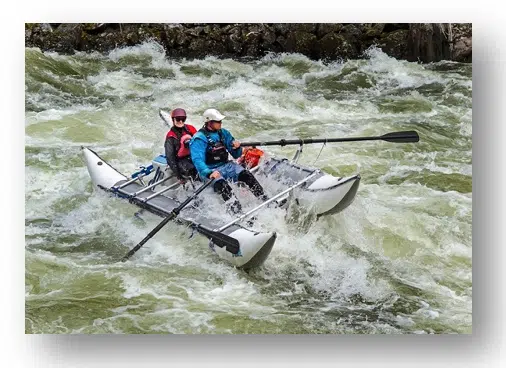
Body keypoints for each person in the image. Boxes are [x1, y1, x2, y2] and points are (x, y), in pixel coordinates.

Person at [189, 108, 267, 214]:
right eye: (218, 121)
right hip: (209, 170)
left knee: (246, 175)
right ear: (209, 122)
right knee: (223, 186)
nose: (220, 123)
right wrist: (208, 173)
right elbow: (197, 160)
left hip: (226, 166)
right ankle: (237, 213)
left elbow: (236, 155)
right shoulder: (199, 139)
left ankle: (265, 200)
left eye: (220, 121)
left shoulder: (224, 133)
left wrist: (236, 148)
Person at [164, 108, 199, 185]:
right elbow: (170, 158)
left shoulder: (191, 129)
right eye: (178, 119)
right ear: (173, 120)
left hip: (193, 155)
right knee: (192, 169)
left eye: (183, 119)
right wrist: (179, 176)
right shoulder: (170, 137)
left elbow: (200, 143)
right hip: (180, 160)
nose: (180, 121)